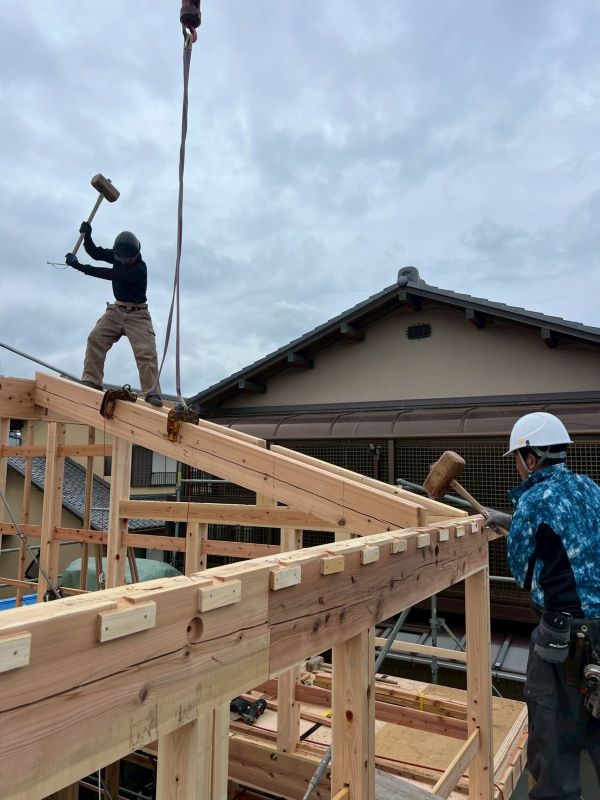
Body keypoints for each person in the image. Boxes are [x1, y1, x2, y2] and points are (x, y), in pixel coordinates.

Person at [487, 411, 600, 799]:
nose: (518, 469)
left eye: (518, 460)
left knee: (555, 761)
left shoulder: (533, 501)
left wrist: (516, 526)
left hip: (564, 645)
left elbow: (523, 575)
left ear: (531, 458)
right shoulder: (590, 488)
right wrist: (511, 520)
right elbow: (571, 538)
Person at [65, 222, 163, 407]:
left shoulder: (139, 269)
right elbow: (96, 253)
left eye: (127, 260)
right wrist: (87, 236)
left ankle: (152, 392)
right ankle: (92, 381)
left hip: (138, 314)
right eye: (121, 259)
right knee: (95, 339)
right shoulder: (119, 256)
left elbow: (108, 274)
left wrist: (79, 266)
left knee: (146, 354)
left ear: (136, 255)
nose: (124, 262)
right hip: (116, 310)